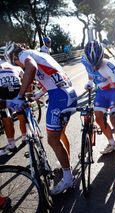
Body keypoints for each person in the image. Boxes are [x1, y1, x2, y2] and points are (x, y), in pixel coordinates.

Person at [4, 41, 78, 195]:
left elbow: (31, 68)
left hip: (59, 96)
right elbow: (51, 77)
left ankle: (68, 178)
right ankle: (66, 166)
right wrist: (39, 93)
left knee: (52, 139)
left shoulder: (24, 55)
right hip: (68, 93)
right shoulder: (40, 54)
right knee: (59, 134)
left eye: (17, 63)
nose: (20, 65)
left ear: (14, 57)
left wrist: (19, 96)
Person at [81, 40, 115, 170]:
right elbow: (90, 73)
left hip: (113, 92)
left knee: (114, 119)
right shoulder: (84, 61)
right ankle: (112, 143)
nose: (94, 67)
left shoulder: (110, 67)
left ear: (102, 57)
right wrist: (90, 82)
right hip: (101, 92)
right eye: (91, 64)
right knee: (98, 118)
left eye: (97, 64)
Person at [0, 59, 27, 156]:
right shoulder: (15, 66)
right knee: (21, 116)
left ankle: (12, 145)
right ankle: (25, 137)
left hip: (4, 93)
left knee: (7, 120)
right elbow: (25, 79)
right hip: (17, 92)